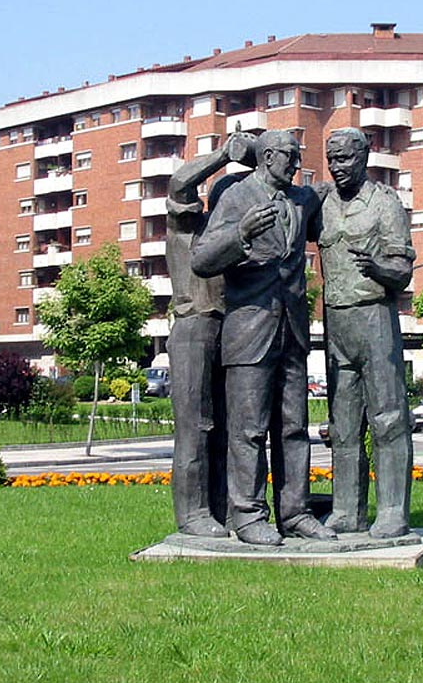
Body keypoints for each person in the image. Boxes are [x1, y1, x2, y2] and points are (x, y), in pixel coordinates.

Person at [192, 130, 336, 546]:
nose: (295, 164)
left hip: (291, 329)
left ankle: (296, 512)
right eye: (290, 156)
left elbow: (326, 193)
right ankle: (249, 515)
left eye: (298, 157)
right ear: (267, 156)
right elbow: (202, 259)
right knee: (248, 431)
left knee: (294, 427)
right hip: (249, 330)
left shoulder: (301, 200)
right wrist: (240, 235)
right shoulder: (236, 197)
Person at [317, 127, 416, 538]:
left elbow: (403, 270)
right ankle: (347, 510)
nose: (339, 168)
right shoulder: (321, 203)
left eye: (346, 159)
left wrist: (379, 268)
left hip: (375, 318)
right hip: (336, 321)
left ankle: (392, 511)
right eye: (332, 160)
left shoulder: (385, 203)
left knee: (388, 418)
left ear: (365, 157)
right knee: (342, 424)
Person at [165, 130, 256, 538]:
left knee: (229, 426)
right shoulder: (189, 227)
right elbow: (179, 183)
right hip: (193, 327)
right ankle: (193, 513)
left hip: (229, 329)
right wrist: (224, 155)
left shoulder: (236, 243)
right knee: (196, 425)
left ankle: (224, 506)